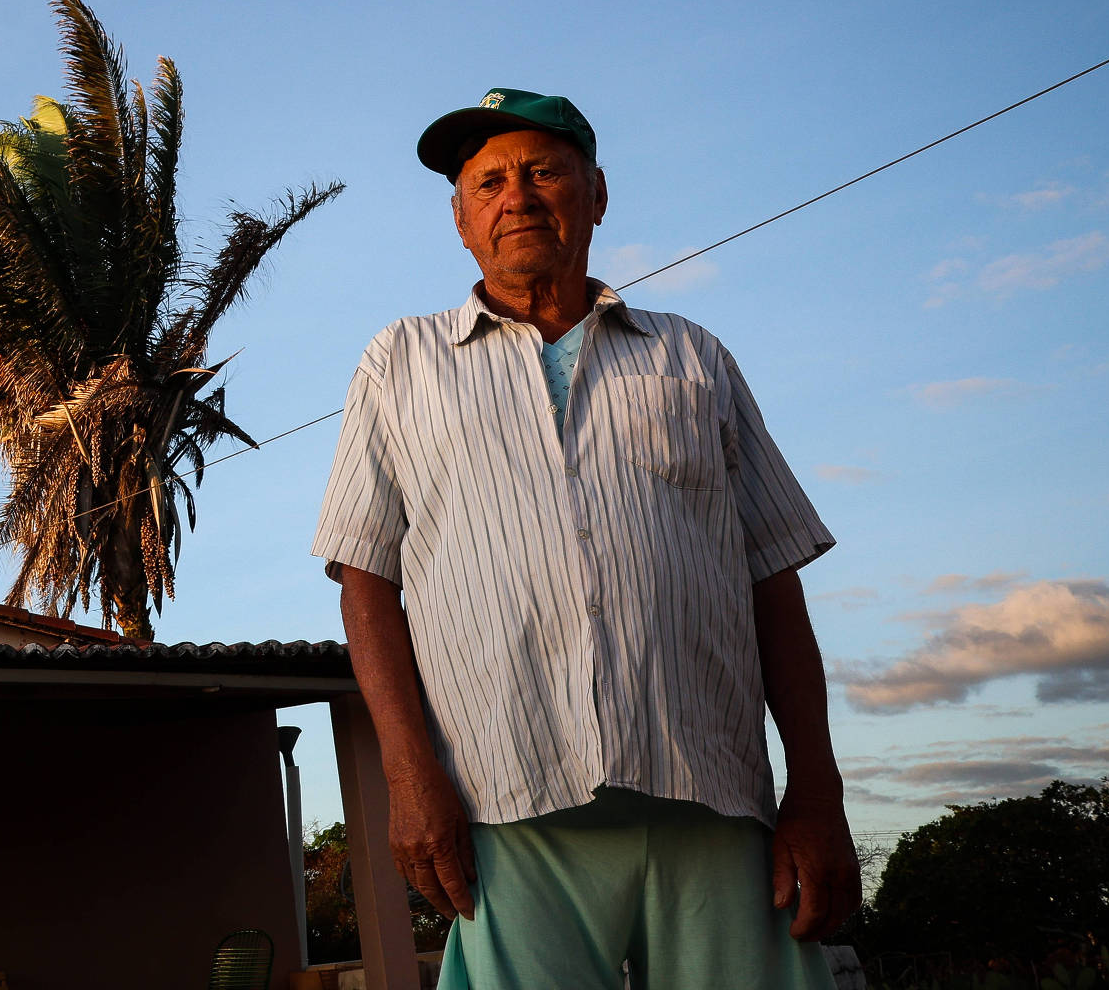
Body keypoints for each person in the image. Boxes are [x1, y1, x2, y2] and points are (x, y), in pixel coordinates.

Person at [311, 89, 857, 989]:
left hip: (710, 792)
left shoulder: (692, 357)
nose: (515, 196)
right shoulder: (400, 361)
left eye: (543, 171)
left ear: (596, 194)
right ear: (460, 220)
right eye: (487, 181)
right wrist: (409, 779)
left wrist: (818, 792)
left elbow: (772, 577)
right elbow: (365, 580)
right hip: (506, 796)